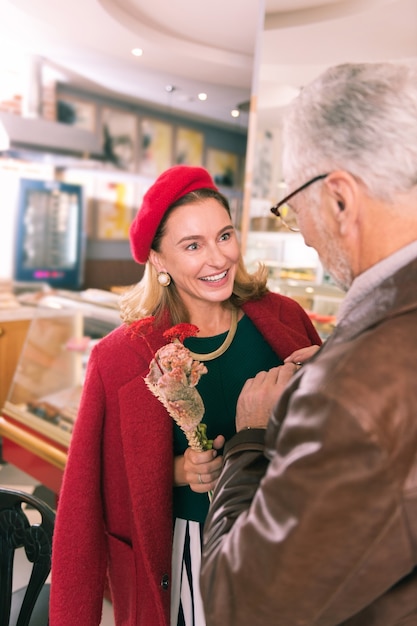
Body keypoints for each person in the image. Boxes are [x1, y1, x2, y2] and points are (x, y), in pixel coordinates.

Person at [49, 164, 321, 626]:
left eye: (225, 235)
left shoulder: (284, 318)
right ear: (159, 260)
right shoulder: (122, 356)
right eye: (192, 246)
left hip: (285, 537)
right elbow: (87, 496)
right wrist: (175, 471)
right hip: (185, 557)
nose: (218, 259)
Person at [200, 61, 417, 626]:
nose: (308, 236)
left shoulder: (353, 386)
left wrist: (249, 438)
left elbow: (240, 605)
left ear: (341, 200)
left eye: (296, 211)